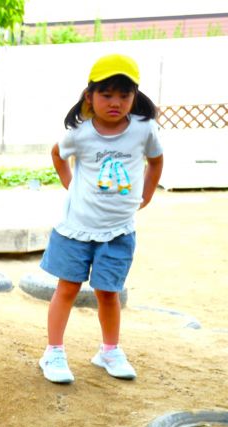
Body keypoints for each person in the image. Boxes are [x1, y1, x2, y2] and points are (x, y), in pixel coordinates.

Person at [38, 53, 163, 384]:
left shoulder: (143, 129)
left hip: (119, 231)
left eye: (124, 94)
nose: (116, 102)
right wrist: (70, 184)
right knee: (67, 288)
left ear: (135, 96)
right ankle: (53, 352)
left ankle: (109, 350)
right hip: (75, 229)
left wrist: (147, 194)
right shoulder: (80, 133)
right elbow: (57, 153)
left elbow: (156, 160)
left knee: (108, 292)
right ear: (89, 95)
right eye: (106, 94)